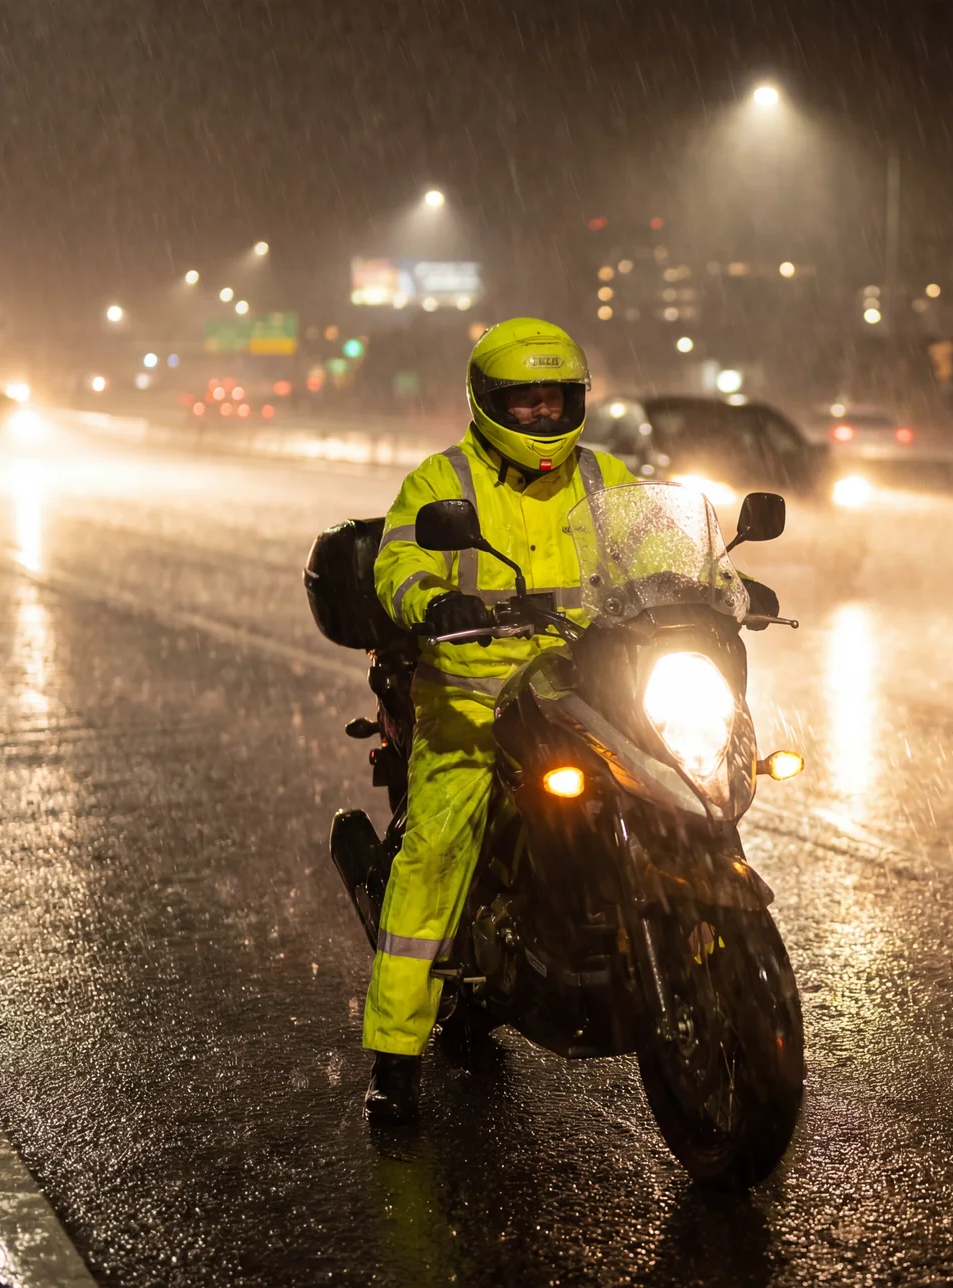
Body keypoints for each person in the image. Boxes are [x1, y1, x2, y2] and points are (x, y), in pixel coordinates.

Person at [363, 317, 638, 1122]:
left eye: (556, 398)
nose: (543, 414)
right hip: (472, 695)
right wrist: (431, 599)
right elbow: (400, 560)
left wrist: (718, 587)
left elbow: (656, 550)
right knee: (437, 848)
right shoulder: (442, 480)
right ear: (488, 402)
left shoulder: (606, 476)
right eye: (525, 401)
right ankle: (395, 1056)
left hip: (586, 685)